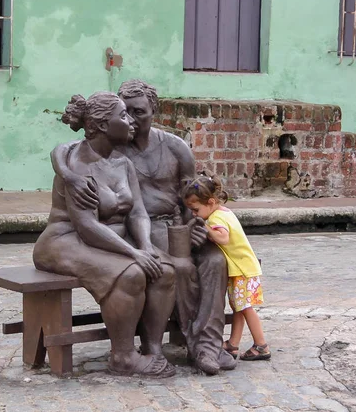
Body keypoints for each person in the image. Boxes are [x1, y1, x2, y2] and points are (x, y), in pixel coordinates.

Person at [51, 79, 236, 374]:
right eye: (127, 113)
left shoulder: (175, 148)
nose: (132, 120)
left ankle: (210, 343)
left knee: (215, 261)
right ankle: (195, 345)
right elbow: (67, 149)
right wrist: (66, 173)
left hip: (172, 226)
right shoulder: (113, 145)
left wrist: (196, 224)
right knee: (181, 267)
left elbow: (195, 198)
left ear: (154, 110)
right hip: (138, 231)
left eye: (138, 112)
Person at [33, 91, 177, 378]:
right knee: (131, 273)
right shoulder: (76, 167)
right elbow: (86, 227)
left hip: (107, 239)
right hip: (65, 240)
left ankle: (153, 349)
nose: (130, 121)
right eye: (122, 116)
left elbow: (137, 212)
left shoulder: (123, 163)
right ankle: (123, 356)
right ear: (101, 125)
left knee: (165, 271)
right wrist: (132, 253)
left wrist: (146, 245)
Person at [182, 175, 271, 361]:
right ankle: (233, 344)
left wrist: (206, 229)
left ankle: (261, 345)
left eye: (196, 210)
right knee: (239, 307)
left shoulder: (215, 218)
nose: (194, 214)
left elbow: (223, 238)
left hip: (242, 270)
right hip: (244, 268)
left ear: (211, 202)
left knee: (246, 308)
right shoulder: (223, 211)